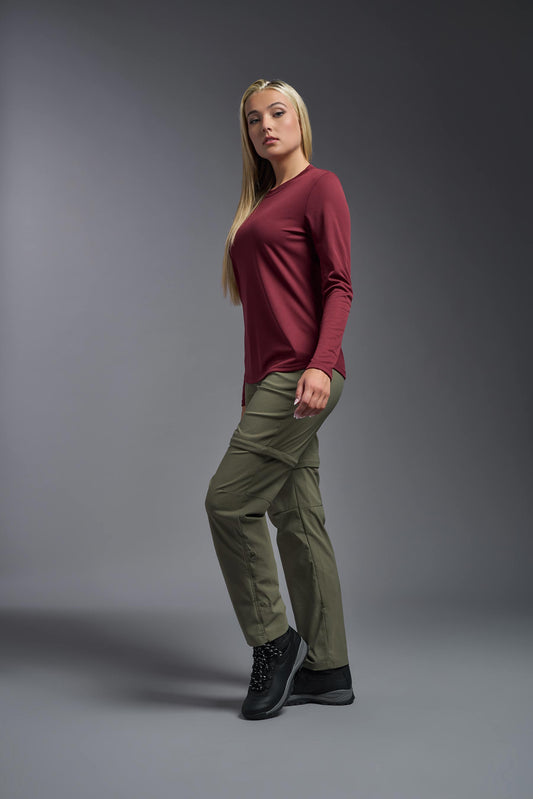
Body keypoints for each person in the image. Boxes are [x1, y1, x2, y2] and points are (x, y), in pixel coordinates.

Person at [205, 78, 355, 720]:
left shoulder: (320, 186)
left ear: (299, 120)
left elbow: (339, 285)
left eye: (277, 112)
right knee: (298, 519)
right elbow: (260, 315)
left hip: (302, 372)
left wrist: (320, 365)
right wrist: (248, 392)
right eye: (253, 119)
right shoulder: (259, 204)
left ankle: (274, 640)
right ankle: (328, 669)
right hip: (269, 379)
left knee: (228, 503)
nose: (266, 125)